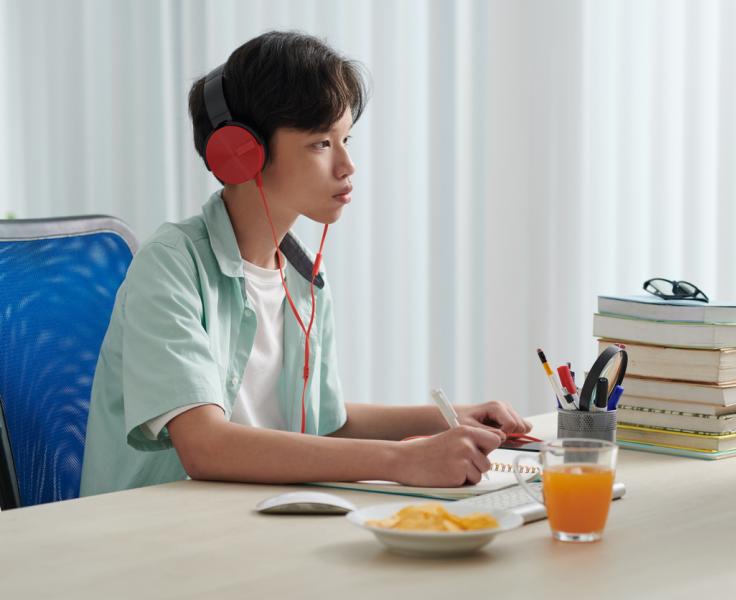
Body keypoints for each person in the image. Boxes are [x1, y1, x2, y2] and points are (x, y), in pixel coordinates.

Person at [80, 30, 532, 496]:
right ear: (241, 152)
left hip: (257, 519)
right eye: (321, 143)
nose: (348, 165)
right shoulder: (172, 265)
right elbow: (205, 446)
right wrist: (403, 459)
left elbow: (325, 425)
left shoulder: (301, 276)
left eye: (346, 139)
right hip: (157, 533)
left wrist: (449, 419)